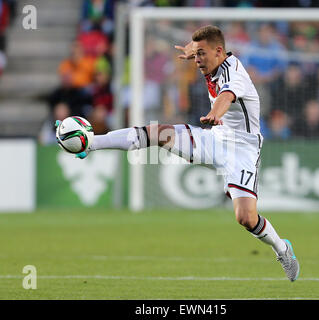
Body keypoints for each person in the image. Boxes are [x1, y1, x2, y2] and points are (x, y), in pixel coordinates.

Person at [55, 25, 299, 281]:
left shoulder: (234, 75)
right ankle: (91, 143)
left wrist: (215, 113)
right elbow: (201, 46)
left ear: (218, 51)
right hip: (215, 138)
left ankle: (282, 249)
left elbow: (226, 96)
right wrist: (193, 49)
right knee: (158, 133)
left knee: (246, 218)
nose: (198, 61)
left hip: (242, 149)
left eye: (202, 55)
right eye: (197, 55)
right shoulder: (211, 55)